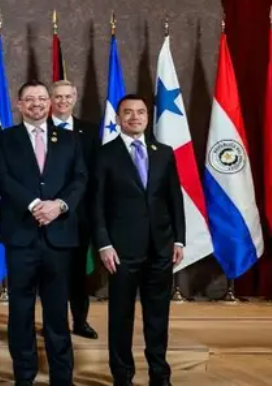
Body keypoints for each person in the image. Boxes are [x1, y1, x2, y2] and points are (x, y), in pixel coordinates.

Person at [0, 79, 86, 386]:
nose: (37, 104)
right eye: (29, 99)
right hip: (21, 237)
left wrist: (59, 205)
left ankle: (62, 379)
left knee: (57, 312)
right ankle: (24, 377)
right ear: (20, 105)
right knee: (21, 312)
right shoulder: (5, 139)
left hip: (59, 236)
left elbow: (80, 179)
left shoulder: (69, 139)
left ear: (50, 102)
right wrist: (33, 204)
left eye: (42, 99)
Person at [92, 95, 185, 386]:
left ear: (147, 116)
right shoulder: (104, 154)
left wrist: (179, 240)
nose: (135, 117)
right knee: (121, 317)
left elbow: (175, 199)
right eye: (128, 112)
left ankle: (160, 376)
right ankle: (122, 377)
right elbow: (96, 205)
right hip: (121, 251)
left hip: (161, 248)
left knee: (158, 317)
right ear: (118, 118)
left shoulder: (164, 153)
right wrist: (104, 244)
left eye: (141, 112)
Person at [50, 79, 101, 340]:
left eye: (67, 96)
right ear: (51, 99)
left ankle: (80, 321)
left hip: (79, 215)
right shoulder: (40, 128)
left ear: (75, 97)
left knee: (78, 272)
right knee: (52, 274)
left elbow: (94, 175)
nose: (63, 101)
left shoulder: (89, 131)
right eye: (58, 96)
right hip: (47, 214)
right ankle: (54, 323)